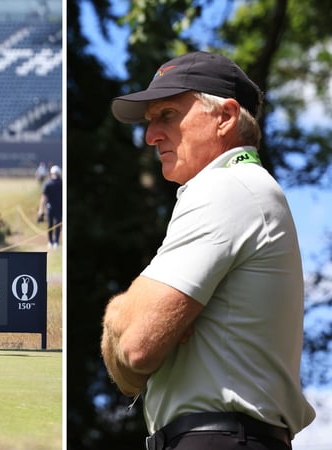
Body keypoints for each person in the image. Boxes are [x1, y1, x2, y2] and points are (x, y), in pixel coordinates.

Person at [101, 51, 315, 449]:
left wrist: (118, 314)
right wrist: (132, 319)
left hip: (218, 438)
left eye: (167, 114)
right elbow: (134, 367)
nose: (150, 136)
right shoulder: (240, 188)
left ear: (226, 117)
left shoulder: (225, 187)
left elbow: (135, 349)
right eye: (150, 121)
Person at [38, 165, 62, 249]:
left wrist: (41, 209)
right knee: (52, 225)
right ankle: (52, 242)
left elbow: (44, 198)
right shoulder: (49, 184)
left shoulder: (57, 183)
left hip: (56, 208)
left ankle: (54, 242)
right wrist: (41, 209)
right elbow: (44, 197)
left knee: (56, 225)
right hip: (52, 208)